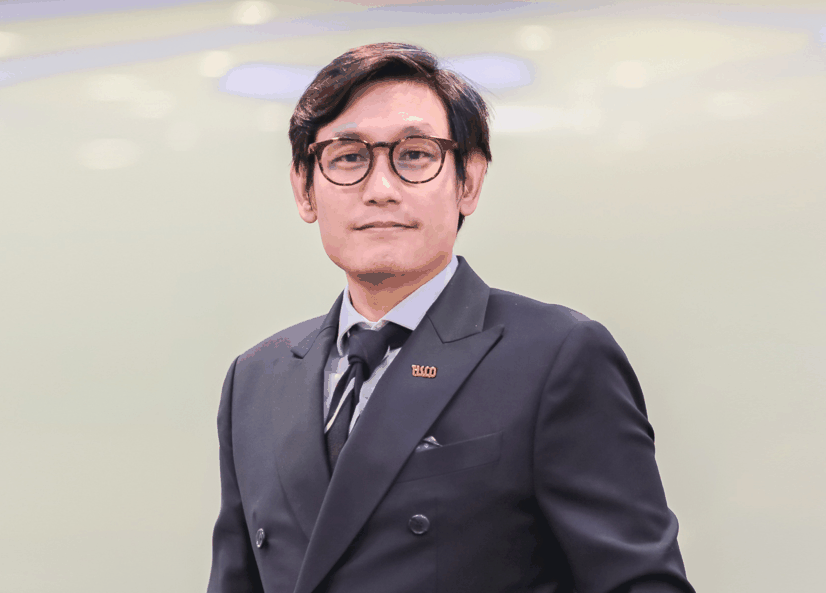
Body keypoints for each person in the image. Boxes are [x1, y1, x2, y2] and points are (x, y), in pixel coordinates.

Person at [207, 42, 694, 593]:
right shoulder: (255, 379)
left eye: (415, 155)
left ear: (469, 181)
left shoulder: (556, 356)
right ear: (304, 189)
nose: (380, 190)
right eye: (348, 157)